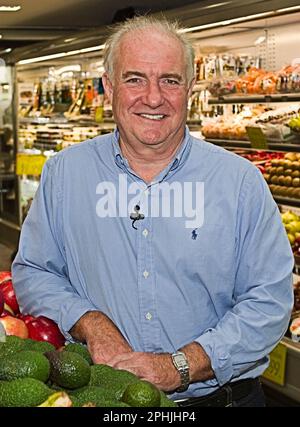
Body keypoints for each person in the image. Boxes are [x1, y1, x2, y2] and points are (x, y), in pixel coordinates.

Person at [12, 16, 294, 407]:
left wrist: (182, 364)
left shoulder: (239, 181)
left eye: (170, 80)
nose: (153, 97)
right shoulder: (65, 174)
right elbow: (34, 271)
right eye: (134, 79)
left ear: (190, 89)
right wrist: (89, 321)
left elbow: (269, 301)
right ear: (109, 86)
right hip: (106, 399)